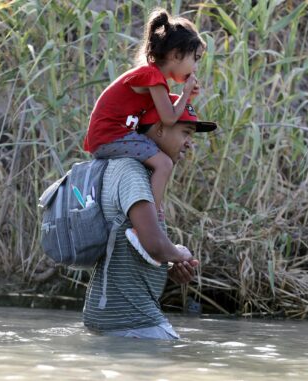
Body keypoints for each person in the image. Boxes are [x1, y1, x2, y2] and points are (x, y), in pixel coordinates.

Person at [82, 97, 217, 340]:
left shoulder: (138, 172)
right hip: (130, 318)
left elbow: (132, 246)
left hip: (114, 316)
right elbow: (153, 243)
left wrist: (169, 266)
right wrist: (180, 254)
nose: (189, 144)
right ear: (160, 129)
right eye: (186, 133)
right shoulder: (132, 172)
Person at [83, 8, 206, 256]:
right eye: (196, 58)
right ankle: (151, 221)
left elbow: (164, 115)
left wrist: (186, 97)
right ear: (176, 54)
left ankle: (150, 214)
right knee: (163, 164)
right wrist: (184, 95)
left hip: (110, 135)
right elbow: (169, 118)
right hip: (111, 135)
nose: (195, 67)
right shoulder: (152, 76)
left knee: (159, 160)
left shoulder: (151, 78)